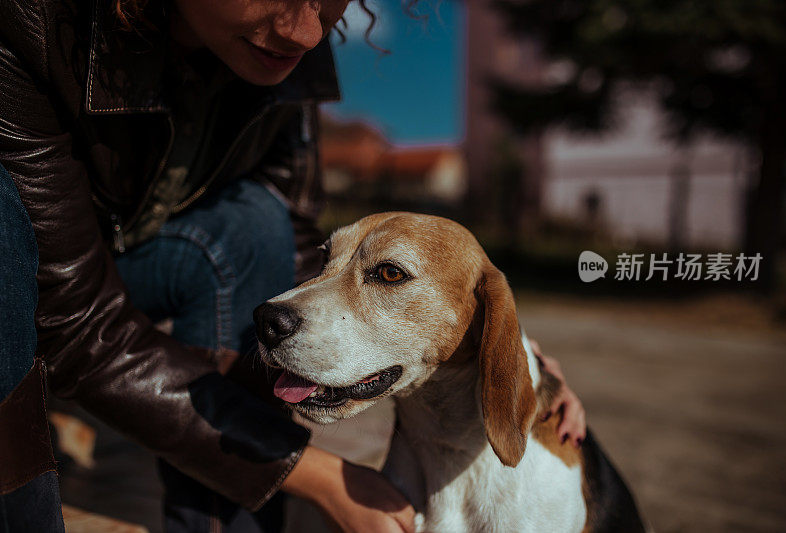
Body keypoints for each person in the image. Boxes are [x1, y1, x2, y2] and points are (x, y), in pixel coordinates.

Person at [0, 1, 587, 532]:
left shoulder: (288, 46)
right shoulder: (29, 24)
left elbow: (301, 245)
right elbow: (76, 320)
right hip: (38, 273)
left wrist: (508, 352)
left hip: (134, 257)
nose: (307, 30)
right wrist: (313, 474)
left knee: (253, 220)